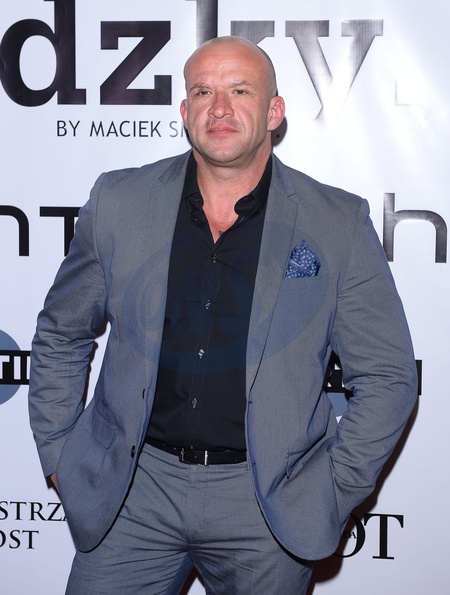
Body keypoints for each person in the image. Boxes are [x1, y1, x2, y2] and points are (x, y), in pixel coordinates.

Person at [29, 36, 417, 594]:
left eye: (240, 91)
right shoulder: (119, 201)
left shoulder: (336, 222)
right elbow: (61, 332)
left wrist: (332, 489)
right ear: (184, 112)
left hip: (267, 505)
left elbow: (388, 376)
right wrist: (59, 452)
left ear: (274, 112)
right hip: (131, 492)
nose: (219, 108)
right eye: (203, 92)